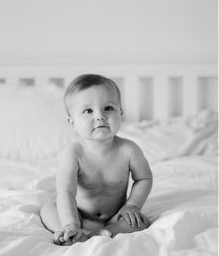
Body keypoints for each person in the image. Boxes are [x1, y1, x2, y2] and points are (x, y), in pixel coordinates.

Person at [40, 74, 153, 245]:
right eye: (88, 111)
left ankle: (99, 233)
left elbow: (144, 178)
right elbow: (66, 193)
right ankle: (71, 231)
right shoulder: (73, 153)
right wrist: (70, 223)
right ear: (72, 122)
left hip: (116, 216)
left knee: (141, 222)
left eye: (108, 108)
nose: (100, 116)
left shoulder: (129, 149)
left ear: (120, 113)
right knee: (48, 210)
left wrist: (132, 206)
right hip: (78, 214)